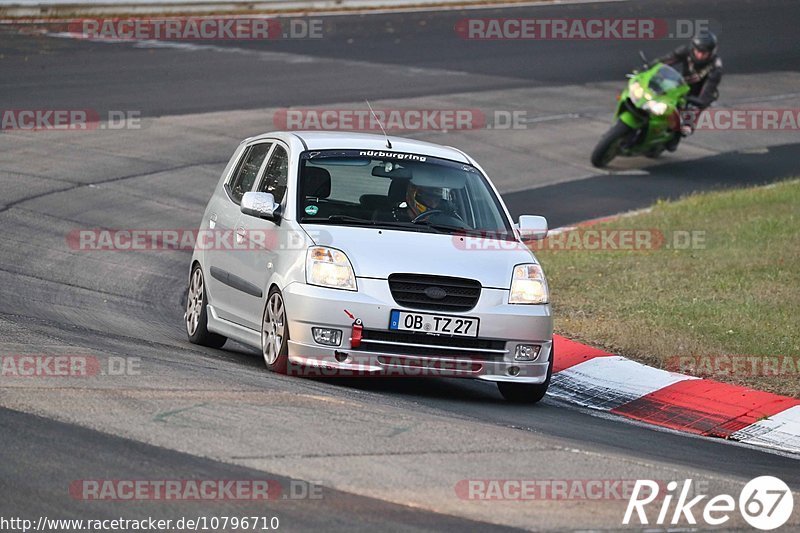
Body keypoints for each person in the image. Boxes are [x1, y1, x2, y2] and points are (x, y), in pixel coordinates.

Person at [654, 31, 722, 151]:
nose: (700, 55)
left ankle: (677, 135)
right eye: (698, 51)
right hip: (683, 82)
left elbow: (708, 88)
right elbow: (666, 60)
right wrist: (649, 67)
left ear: (711, 52)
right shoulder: (685, 51)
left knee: (690, 114)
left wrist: (699, 102)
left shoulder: (716, 67)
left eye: (704, 53)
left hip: (702, 91)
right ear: (693, 48)